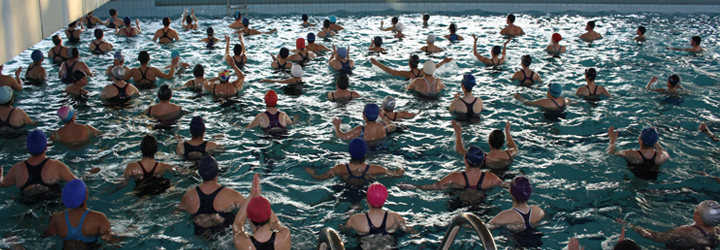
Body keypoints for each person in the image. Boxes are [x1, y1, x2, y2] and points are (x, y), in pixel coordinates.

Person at [42, 179, 122, 248]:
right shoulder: (98, 218)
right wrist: (125, 235)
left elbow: (47, 235)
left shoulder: (57, 218)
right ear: (86, 196)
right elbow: (110, 240)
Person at [179, 156, 245, 235]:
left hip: (201, 233)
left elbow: (179, 211)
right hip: (225, 234)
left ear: (199, 173)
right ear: (217, 173)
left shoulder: (188, 196)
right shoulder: (231, 194)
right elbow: (248, 209)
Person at [616, 200, 720, 249]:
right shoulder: (717, 230)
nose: (695, 209)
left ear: (701, 218)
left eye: (697, 209)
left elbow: (656, 237)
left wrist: (631, 226)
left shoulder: (687, 231)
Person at [0, 130, 75, 197]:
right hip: (52, 204)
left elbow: (3, 184)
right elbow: (76, 183)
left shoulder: (16, 169)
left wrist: (0, 175)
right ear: (46, 147)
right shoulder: (57, 166)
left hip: (26, 205)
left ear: (28, 148)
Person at [403, 146, 504, 191]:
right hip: (481, 205)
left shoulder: (455, 177)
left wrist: (413, 186)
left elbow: (434, 187)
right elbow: (507, 186)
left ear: (465, 160)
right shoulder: (491, 177)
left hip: (459, 205)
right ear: (482, 162)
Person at [305, 138, 404, 184]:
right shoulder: (375, 169)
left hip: (343, 190)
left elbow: (320, 178)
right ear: (365, 153)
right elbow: (397, 174)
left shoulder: (340, 168)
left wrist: (312, 173)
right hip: (365, 191)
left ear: (350, 152)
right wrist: (400, 164)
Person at [233, 174, 291, 250]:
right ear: (270, 216)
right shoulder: (284, 236)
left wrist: (251, 195)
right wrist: (259, 199)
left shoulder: (243, 243)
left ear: (249, 220)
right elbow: (275, 222)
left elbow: (238, 223)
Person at [487, 177, 545, 248]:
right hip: (536, 243)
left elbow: (485, 228)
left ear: (511, 192)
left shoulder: (505, 216)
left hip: (518, 245)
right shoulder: (537, 210)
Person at [120, 135, 188, 196]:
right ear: (156, 149)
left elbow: (124, 183)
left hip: (141, 191)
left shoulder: (132, 167)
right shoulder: (163, 166)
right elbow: (182, 171)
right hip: (160, 190)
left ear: (141, 148)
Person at [341, 183, 414, 238]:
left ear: (367, 200)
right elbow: (410, 231)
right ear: (385, 200)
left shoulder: (356, 219)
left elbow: (344, 229)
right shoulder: (395, 218)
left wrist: (350, 212)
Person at [452, 120, 518, 170]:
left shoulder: (483, 157)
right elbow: (513, 147)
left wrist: (458, 133)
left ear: (489, 143)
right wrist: (508, 133)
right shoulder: (510, 154)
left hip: (488, 178)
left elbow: (460, 151)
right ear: (502, 143)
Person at [332, 103, 397, 144]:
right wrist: (384, 117)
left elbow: (342, 136)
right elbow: (394, 125)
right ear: (377, 116)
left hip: (367, 152)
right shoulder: (385, 125)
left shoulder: (361, 130)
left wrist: (336, 126)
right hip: (383, 149)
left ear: (364, 115)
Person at [370, 55, 453, 80]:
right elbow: (434, 67)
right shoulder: (423, 71)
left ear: (409, 64)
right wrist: (444, 61)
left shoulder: (409, 74)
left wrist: (377, 63)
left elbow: (391, 71)